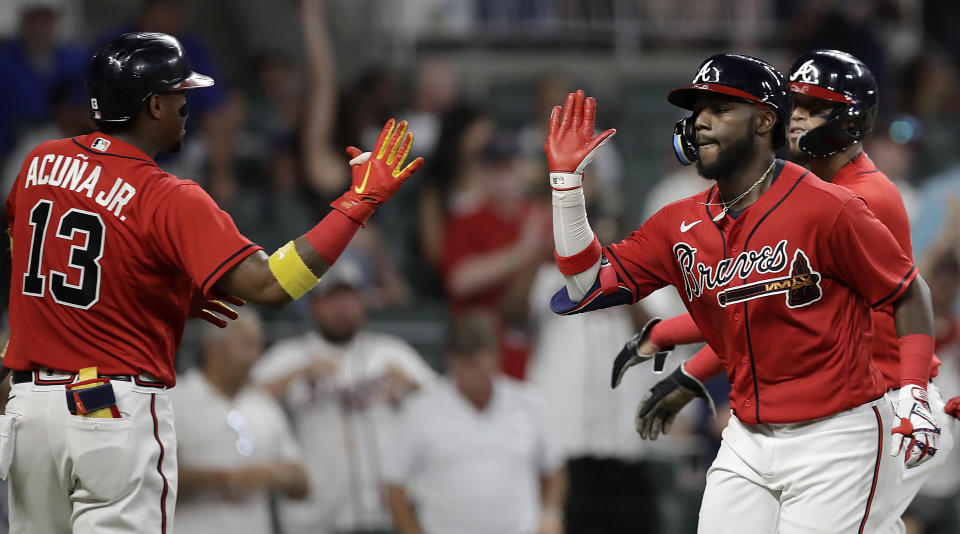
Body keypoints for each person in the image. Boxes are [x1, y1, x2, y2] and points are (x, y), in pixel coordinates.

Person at [2, 32, 422, 533]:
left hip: (30, 410)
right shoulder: (168, 195)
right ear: (153, 105)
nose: (187, 107)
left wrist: (153, 286)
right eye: (180, 95)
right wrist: (357, 205)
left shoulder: (40, 162)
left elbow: (29, 249)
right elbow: (270, 285)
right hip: (109, 409)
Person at [544, 53, 937, 532]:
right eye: (697, 112)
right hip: (748, 435)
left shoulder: (832, 207)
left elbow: (907, 292)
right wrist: (566, 187)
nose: (702, 123)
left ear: (766, 120)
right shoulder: (678, 222)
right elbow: (584, 287)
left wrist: (915, 392)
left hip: (838, 432)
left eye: (721, 109)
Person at [252, 259, 436, 534]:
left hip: (384, 516)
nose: (342, 308)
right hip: (315, 519)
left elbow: (444, 404)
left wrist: (412, 387)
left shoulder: (392, 353)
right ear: (313, 305)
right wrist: (295, 376)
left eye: (349, 298)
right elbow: (242, 399)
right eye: (331, 299)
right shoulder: (291, 356)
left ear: (362, 302)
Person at [383, 312, 566, 534]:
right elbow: (394, 486)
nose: (473, 375)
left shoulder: (528, 402)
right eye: (465, 365)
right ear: (451, 362)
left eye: (480, 364)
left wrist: (550, 515)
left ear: (496, 359)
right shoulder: (422, 410)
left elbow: (554, 471)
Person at [172, 309, 308, 534]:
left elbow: (303, 485)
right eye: (246, 344)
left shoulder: (263, 404)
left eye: (257, 345)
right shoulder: (176, 399)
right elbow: (153, 477)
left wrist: (281, 475)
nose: (255, 356)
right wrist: (225, 479)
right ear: (214, 348)